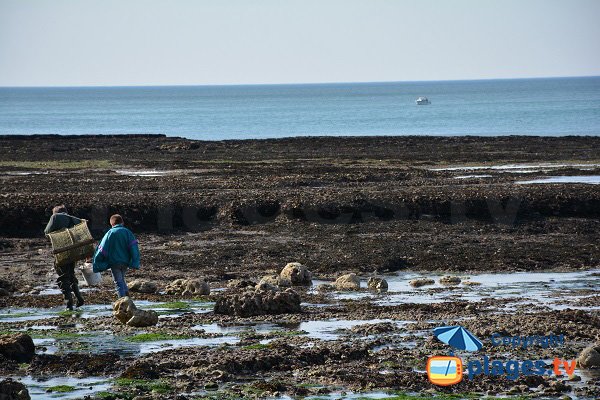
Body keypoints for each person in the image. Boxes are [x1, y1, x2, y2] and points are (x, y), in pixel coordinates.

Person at [44, 205, 85, 310]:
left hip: (61, 251)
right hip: (73, 252)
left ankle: (69, 303)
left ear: (55, 212)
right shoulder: (73, 219)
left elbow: (46, 232)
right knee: (71, 274)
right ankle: (79, 298)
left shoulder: (55, 217)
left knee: (63, 276)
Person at [92, 214, 140, 297]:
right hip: (125, 262)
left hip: (114, 262)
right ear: (122, 222)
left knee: (118, 282)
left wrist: (97, 261)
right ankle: (127, 298)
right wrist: (135, 261)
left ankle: (123, 301)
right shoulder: (128, 232)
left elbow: (102, 249)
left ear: (112, 224)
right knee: (121, 280)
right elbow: (133, 248)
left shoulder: (110, 233)